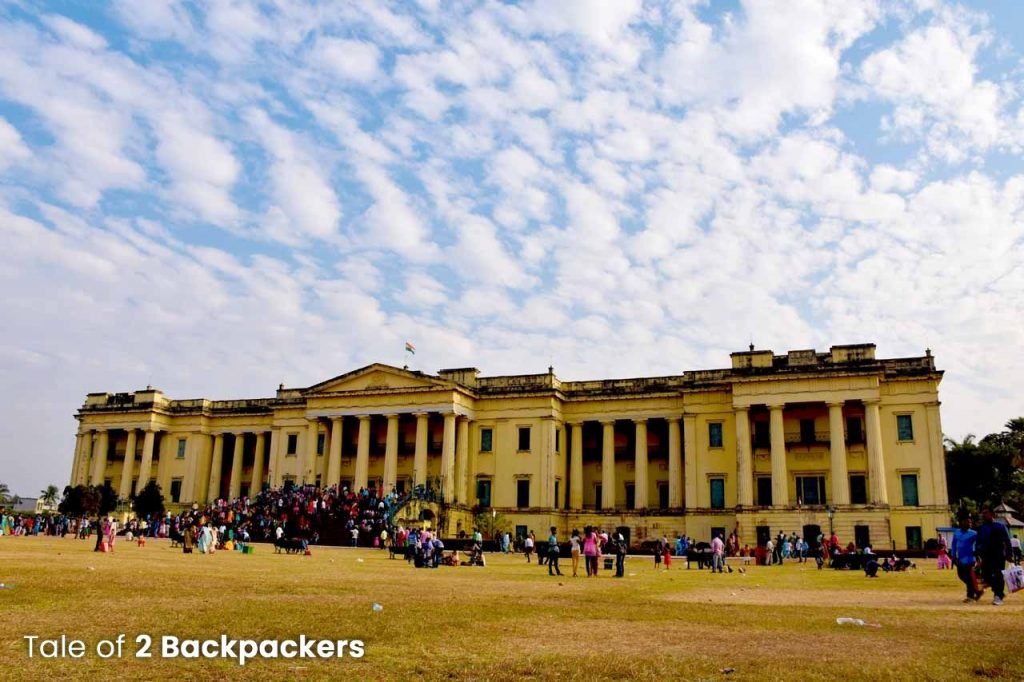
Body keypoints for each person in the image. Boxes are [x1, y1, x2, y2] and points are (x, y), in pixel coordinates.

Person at [976, 506, 1012, 606]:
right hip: (985, 556)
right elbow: (978, 542)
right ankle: (999, 591)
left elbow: (1007, 541)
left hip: (998, 555)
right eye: (983, 513)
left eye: (986, 513)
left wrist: (1009, 554)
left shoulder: (1000, 526)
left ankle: (998, 596)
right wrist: (977, 555)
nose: (984, 515)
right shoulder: (982, 527)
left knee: (998, 575)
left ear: (992, 514)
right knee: (986, 577)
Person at [950, 515, 983, 603]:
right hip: (960, 559)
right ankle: (978, 591)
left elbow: (979, 545)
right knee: (961, 576)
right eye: (967, 522)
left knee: (969, 577)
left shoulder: (974, 533)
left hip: (970, 559)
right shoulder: (957, 533)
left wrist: (978, 556)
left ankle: (971, 596)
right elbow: (953, 545)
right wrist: (953, 556)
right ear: (962, 522)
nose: (970, 523)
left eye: (970, 522)